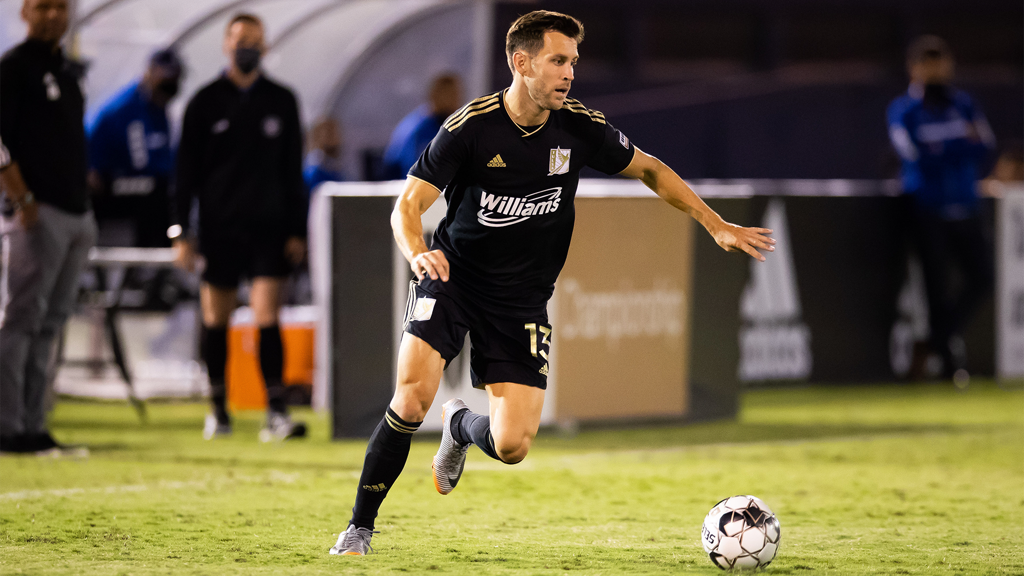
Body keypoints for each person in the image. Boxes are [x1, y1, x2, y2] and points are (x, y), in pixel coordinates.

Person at [329, 10, 775, 555]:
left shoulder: (579, 127)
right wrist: (419, 253)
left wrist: (716, 224)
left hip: (520, 299)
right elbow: (407, 206)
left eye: (573, 63)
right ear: (522, 63)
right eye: (558, 61)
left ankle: (461, 426)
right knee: (412, 397)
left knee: (512, 445)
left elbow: (651, 169)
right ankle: (359, 528)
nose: (569, 73)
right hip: (452, 277)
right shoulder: (471, 127)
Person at [173, 13, 308, 442]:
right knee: (216, 318)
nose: (246, 46)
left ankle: (276, 411)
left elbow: (294, 170)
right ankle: (218, 410)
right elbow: (185, 173)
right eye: (239, 39)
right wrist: (180, 231)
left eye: (254, 40)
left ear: (264, 47)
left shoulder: (281, 100)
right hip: (219, 228)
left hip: (270, 229)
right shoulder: (204, 101)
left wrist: (298, 229)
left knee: (268, 316)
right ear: (226, 44)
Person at [0, 0, 96, 454]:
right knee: (21, 319)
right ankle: (7, 426)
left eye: (61, 7)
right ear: (25, 12)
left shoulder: (66, 71)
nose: (54, 15)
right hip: (37, 213)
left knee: (50, 324)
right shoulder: (14, 67)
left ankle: (34, 425)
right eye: (43, 6)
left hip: (76, 213)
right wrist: (22, 198)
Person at [886, 36, 996, 381]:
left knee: (982, 278)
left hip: (966, 206)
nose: (936, 73)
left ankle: (933, 342)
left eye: (941, 65)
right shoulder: (904, 110)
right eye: (929, 66)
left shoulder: (963, 104)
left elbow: (984, 147)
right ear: (914, 69)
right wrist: (957, 144)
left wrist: (940, 147)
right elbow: (914, 155)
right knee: (936, 287)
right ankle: (948, 364)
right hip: (928, 209)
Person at [88, 48, 184, 309]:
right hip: (109, 189)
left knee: (168, 195)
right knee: (159, 193)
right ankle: (144, 275)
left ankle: (158, 275)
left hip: (144, 189)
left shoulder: (159, 110)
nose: (171, 86)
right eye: (166, 79)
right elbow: (92, 147)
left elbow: (165, 160)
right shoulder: (124, 109)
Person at [380, 74, 463, 179]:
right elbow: (412, 171)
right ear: (433, 96)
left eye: (455, 95)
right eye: (447, 95)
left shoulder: (455, 125)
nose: (452, 101)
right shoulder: (419, 130)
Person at [303, 117, 348, 194]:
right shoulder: (313, 166)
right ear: (317, 135)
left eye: (334, 132)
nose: (334, 136)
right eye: (329, 133)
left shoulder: (337, 164)